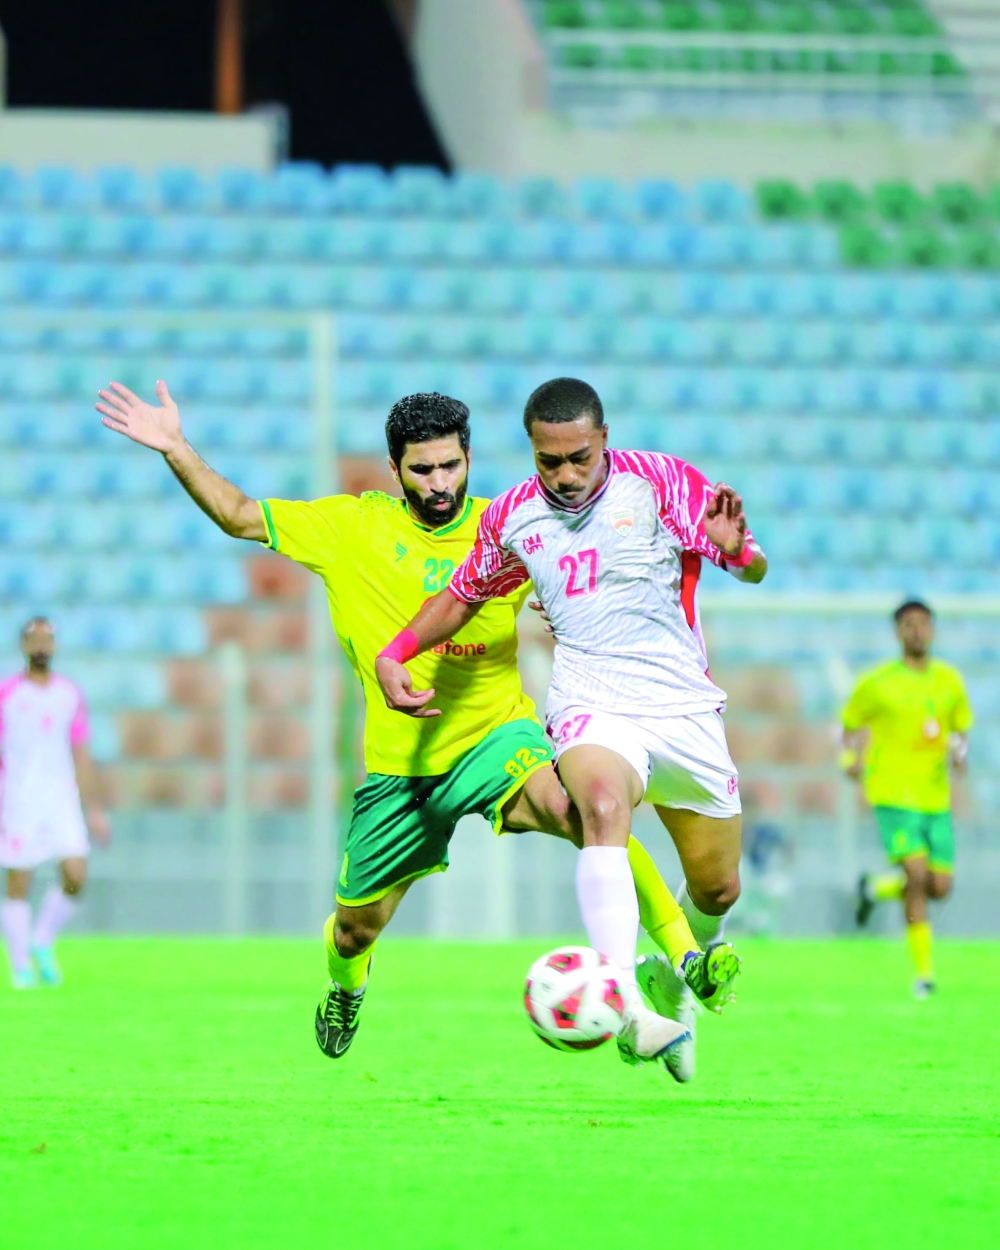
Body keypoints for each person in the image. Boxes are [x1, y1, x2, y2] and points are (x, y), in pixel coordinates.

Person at [97, 380, 726, 1072]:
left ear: (469, 458)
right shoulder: (351, 528)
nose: (438, 483)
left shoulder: (510, 526)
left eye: (451, 466)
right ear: (394, 469)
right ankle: (346, 987)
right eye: (422, 469)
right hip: (399, 770)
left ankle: (682, 962)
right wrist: (176, 448)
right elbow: (240, 515)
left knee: (586, 808)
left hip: (495, 739)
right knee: (353, 929)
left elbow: (591, 578)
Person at [376, 377, 766, 1073]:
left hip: (680, 705)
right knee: (602, 805)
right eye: (547, 460)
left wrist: (737, 553)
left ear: (604, 441)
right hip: (591, 700)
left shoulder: (662, 483)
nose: (563, 475)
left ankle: (670, 982)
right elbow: (463, 595)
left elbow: (750, 563)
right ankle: (622, 999)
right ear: (531, 450)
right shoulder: (514, 517)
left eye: (578, 458)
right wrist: (397, 650)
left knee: (717, 890)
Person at [844, 599, 972, 998]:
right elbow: (848, 727)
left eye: (923, 624)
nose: (917, 631)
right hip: (894, 795)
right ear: (898, 632)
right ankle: (924, 975)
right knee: (916, 878)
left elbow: (960, 733)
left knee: (940, 886)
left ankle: (875, 889)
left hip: (936, 799)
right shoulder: (877, 683)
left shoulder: (950, 682)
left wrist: (959, 752)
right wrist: (850, 758)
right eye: (908, 624)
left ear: (933, 630)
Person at [0, 618, 111, 988]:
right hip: (19, 799)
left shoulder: (69, 695)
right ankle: (20, 966)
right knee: (19, 879)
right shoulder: (8, 694)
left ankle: (42, 940)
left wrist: (94, 809)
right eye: (34, 640)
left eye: (47, 640)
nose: (41, 646)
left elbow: (80, 752)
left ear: (56, 646)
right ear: (22, 646)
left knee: (76, 875)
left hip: (62, 800)